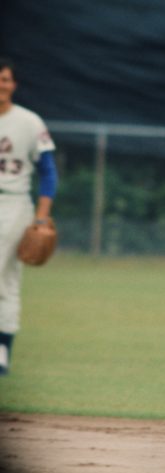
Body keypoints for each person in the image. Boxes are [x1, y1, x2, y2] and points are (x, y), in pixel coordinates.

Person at [0, 57, 58, 375]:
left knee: (5, 278)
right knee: (6, 282)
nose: (1, 85)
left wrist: (41, 217)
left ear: (14, 85)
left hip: (13, 206)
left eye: (5, 79)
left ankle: (3, 350)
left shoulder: (29, 122)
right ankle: (2, 353)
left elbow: (48, 171)